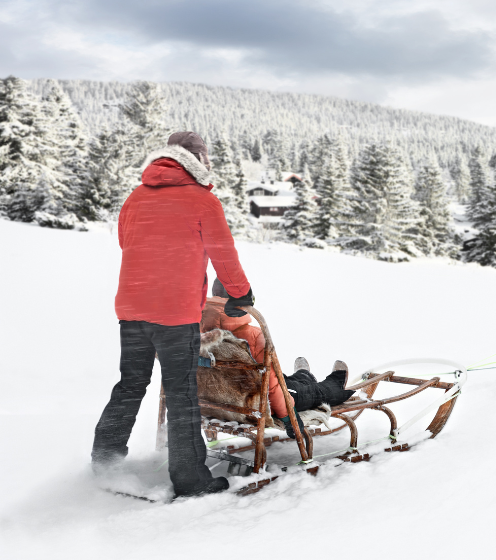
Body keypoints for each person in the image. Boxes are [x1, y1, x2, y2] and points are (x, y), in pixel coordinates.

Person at [92, 132, 254, 498]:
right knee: (182, 392)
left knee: (130, 385)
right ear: (196, 158)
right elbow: (223, 254)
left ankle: (104, 461)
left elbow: (127, 242)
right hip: (176, 314)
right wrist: (241, 293)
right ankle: (191, 480)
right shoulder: (202, 200)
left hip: (132, 309)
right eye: (206, 156)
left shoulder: (135, 197)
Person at [202, 279, 355, 437]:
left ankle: (303, 375)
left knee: (286, 381)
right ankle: (335, 383)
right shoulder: (252, 335)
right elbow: (272, 386)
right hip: (254, 405)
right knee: (313, 392)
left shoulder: (197, 333)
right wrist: (289, 418)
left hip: (220, 403)